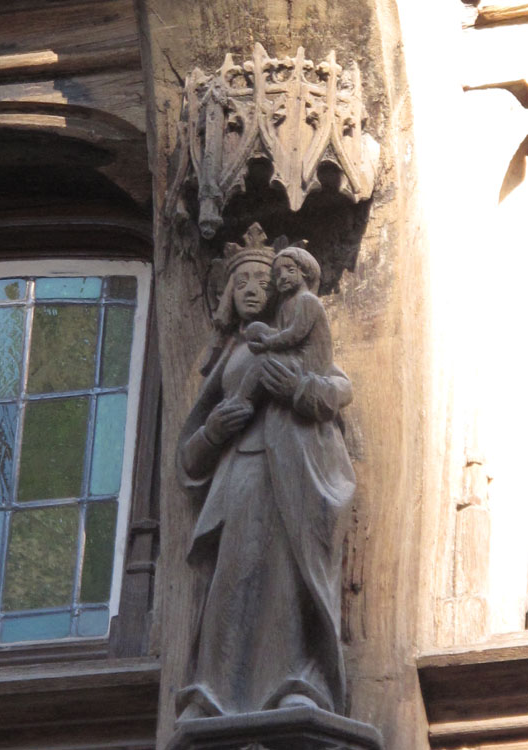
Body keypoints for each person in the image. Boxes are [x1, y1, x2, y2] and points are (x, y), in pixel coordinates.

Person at [176, 236, 356, 721]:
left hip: (294, 471)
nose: (254, 288)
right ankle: (212, 692)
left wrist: (299, 387)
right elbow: (190, 457)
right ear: (226, 296)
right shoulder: (233, 355)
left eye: (263, 279)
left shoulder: (295, 335)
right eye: (242, 281)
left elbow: (339, 386)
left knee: (286, 576)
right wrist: (213, 433)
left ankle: (297, 683)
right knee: (230, 582)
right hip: (241, 473)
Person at [235, 245, 333, 409]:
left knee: (261, 363)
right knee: (257, 328)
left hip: (309, 363)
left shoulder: (307, 300)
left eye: (289, 270)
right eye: (278, 274)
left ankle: (242, 401)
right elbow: (286, 333)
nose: (283, 277)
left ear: (304, 271)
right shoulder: (287, 304)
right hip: (295, 355)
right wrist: (265, 332)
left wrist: (268, 342)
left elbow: (295, 334)